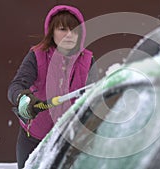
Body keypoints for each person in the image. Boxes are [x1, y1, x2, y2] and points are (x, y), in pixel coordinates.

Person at [7, 5, 94, 169]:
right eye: (62, 29)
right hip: (33, 140)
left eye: (74, 30)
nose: (69, 35)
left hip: (70, 142)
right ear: (51, 32)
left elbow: (93, 100)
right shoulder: (36, 55)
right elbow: (17, 85)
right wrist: (22, 98)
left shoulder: (88, 61)